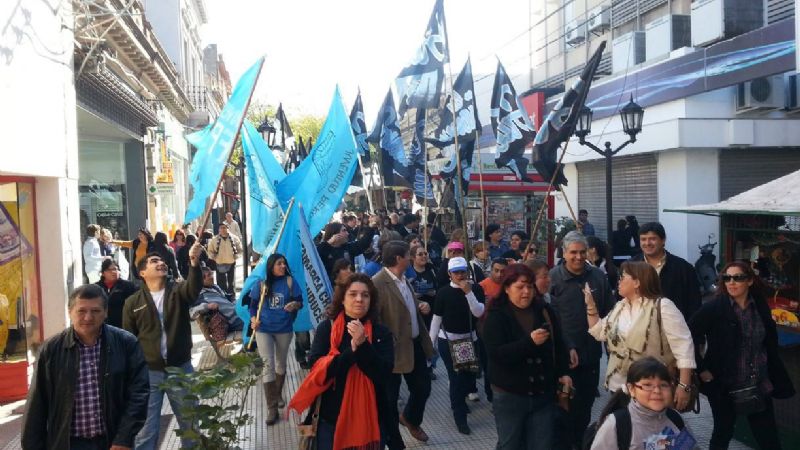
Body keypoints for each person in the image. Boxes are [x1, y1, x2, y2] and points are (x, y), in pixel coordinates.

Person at [23, 284, 149, 450]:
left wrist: (123, 438)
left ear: (105, 313)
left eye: (95, 311)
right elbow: (37, 404)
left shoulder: (126, 343)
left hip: (112, 442)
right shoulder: (51, 350)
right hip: (67, 443)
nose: (88, 317)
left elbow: (139, 393)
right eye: (81, 311)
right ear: (70, 312)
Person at [689, 262, 795, 450]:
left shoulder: (759, 306)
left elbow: (768, 341)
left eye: (738, 278)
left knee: (768, 437)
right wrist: (702, 368)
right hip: (725, 384)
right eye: (727, 278)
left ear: (750, 281)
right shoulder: (714, 308)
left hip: (758, 383)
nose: (732, 282)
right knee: (723, 433)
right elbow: (687, 336)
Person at [288, 273, 394, 450]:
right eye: (353, 294)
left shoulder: (381, 333)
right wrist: (352, 350)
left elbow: (383, 374)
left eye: (365, 295)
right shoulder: (327, 329)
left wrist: (363, 346)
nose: (359, 299)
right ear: (342, 300)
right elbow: (318, 372)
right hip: (329, 421)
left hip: (369, 420)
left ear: (371, 300)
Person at [122, 243, 204, 449]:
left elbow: (193, 289)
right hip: (148, 373)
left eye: (162, 260)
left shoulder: (177, 291)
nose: (161, 263)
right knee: (146, 429)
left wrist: (194, 263)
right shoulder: (133, 302)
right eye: (154, 261)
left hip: (180, 368)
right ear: (142, 273)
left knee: (190, 424)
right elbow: (129, 340)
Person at [483, 264, 572, 450]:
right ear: (507, 288)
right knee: (510, 444)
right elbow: (497, 354)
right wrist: (529, 343)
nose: (526, 292)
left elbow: (558, 345)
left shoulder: (544, 310)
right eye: (520, 287)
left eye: (530, 287)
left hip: (543, 393)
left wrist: (564, 373)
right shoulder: (495, 316)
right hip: (509, 395)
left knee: (542, 444)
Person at [586, 261, 696, 403]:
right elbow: (600, 332)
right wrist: (590, 306)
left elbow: (684, 347)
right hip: (618, 387)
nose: (618, 281)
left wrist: (684, 385)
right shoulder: (620, 306)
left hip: (652, 388)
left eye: (623, 277)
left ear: (637, 282)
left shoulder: (662, 306)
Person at [549, 231, 615, 449]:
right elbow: (549, 318)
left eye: (582, 252)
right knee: (563, 405)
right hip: (562, 356)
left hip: (591, 354)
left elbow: (609, 313)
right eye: (573, 252)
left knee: (585, 406)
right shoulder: (553, 278)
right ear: (564, 253)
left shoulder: (598, 276)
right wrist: (566, 346)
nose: (578, 257)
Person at [372, 240, 434, 448]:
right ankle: (393, 440)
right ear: (399, 259)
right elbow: (376, 317)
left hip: (414, 345)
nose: (411, 258)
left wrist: (419, 304)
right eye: (408, 255)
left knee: (423, 388)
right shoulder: (378, 283)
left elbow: (405, 302)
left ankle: (410, 419)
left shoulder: (404, 279)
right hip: (392, 351)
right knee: (389, 399)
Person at [428, 257, 486, 434]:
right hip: (449, 340)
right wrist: (430, 345)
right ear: (449, 274)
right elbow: (436, 319)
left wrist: (468, 293)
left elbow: (479, 312)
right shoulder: (444, 293)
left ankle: (462, 400)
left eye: (463, 271)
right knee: (456, 377)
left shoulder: (475, 288)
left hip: (470, 338)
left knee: (471, 376)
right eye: (456, 272)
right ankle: (459, 416)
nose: (460, 275)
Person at [589, 357, 696, 450]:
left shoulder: (676, 420)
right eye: (647, 385)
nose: (657, 391)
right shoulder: (617, 425)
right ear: (631, 389)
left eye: (663, 385)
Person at [247, 253, 303, 425]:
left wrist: (294, 305)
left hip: (284, 329)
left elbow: (300, 302)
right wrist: (253, 320)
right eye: (279, 264)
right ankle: (272, 408)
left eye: (284, 263)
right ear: (271, 266)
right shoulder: (261, 284)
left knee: (281, 363)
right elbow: (252, 305)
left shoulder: (290, 282)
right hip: (264, 329)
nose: (283, 266)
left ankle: (277, 393)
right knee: (267, 365)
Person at [630, 222, 702, 320]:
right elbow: (621, 299)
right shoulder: (631, 267)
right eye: (643, 239)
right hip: (638, 327)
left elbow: (694, 303)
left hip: (673, 328)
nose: (647, 243)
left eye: (652, 239)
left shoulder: (684, 268)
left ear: (663, 240)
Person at [189, 266, 244, 333]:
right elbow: (191, 313)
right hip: (232, 321)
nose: (212, 277)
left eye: (211, 274)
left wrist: (236, 300)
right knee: (255, 322)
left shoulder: (215, 287)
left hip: (237, 312)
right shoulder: (200, 296)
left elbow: (227, 297)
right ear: (201, 280)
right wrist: (207, 306)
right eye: (209, 275)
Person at [95, 259, 137, 329]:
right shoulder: (96, 287)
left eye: (116, 269)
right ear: (103, 273)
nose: (114, 272)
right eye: (109, 270)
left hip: (123, 325)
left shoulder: (128, 286)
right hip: (102, 325)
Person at [207, 223, 243, 297]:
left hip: (231, 262)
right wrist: (214, 257)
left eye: (224, 228)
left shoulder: (234, 238)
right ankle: (222, 296)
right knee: (221, 282)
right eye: (221, 228)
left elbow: (240, 250)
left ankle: (232, 296)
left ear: (227, 228)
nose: (223, 230)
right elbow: (210, 251)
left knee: (231, 282)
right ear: (219, 229)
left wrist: (236, 256)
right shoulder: (214, 240)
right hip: (219, 262)